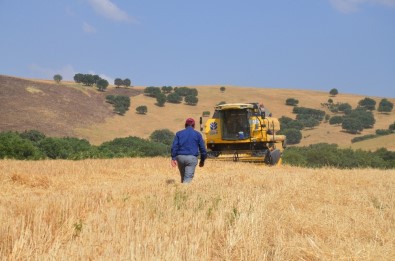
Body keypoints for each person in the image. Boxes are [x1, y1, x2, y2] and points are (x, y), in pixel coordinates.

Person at [171, 118, 207, 183]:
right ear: (194, 125)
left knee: (183, 177)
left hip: (180, 158)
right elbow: (202, 149)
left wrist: (173, 158)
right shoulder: (198, 134)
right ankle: (185, 190)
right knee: (188, 178)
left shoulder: (179, 134)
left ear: (185, 125)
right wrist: (202, 161)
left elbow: (174, 146)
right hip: (192, 158)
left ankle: (182, 191)